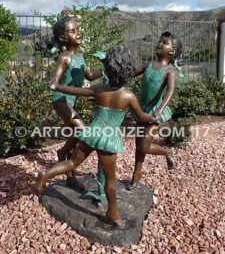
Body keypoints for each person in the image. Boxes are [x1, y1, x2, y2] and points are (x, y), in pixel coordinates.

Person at [33, 47, 157, 226]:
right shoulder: (128, 96)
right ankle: (113, 214)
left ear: (106, 71)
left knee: (72, 163)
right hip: (108, 139)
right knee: (110, 182)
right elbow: (140, 117)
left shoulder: (99, 89)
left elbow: (75, 92)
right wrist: (152, 118)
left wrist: (57, 86)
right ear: (128, 72)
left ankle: (45, 174)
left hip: (91, 134)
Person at [50, 16, 102, 188]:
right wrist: (53, 84)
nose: (78, 33)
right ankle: (67, 158)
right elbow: (55, 81)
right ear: (64, 38)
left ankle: (64, 158)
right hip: (61, 101)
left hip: (71, 101)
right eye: (73, 31)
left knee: (76, 132)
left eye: (78, 30)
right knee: (82, 130)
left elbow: (90, 76)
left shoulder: (80, 57)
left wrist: (106, 67)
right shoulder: (64, 58)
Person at [128, 31, 183, 190]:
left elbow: (170, 91)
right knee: (139, 147)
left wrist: (160, 109)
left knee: (145, 146)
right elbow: (130, 73)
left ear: (172, 51)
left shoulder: (169, 71)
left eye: (164, 42)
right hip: (141, 111)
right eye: (159, 41)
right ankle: (136, 175)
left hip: (154, 114)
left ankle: (167, 152)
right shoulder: (148, 65)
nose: (159, 43)